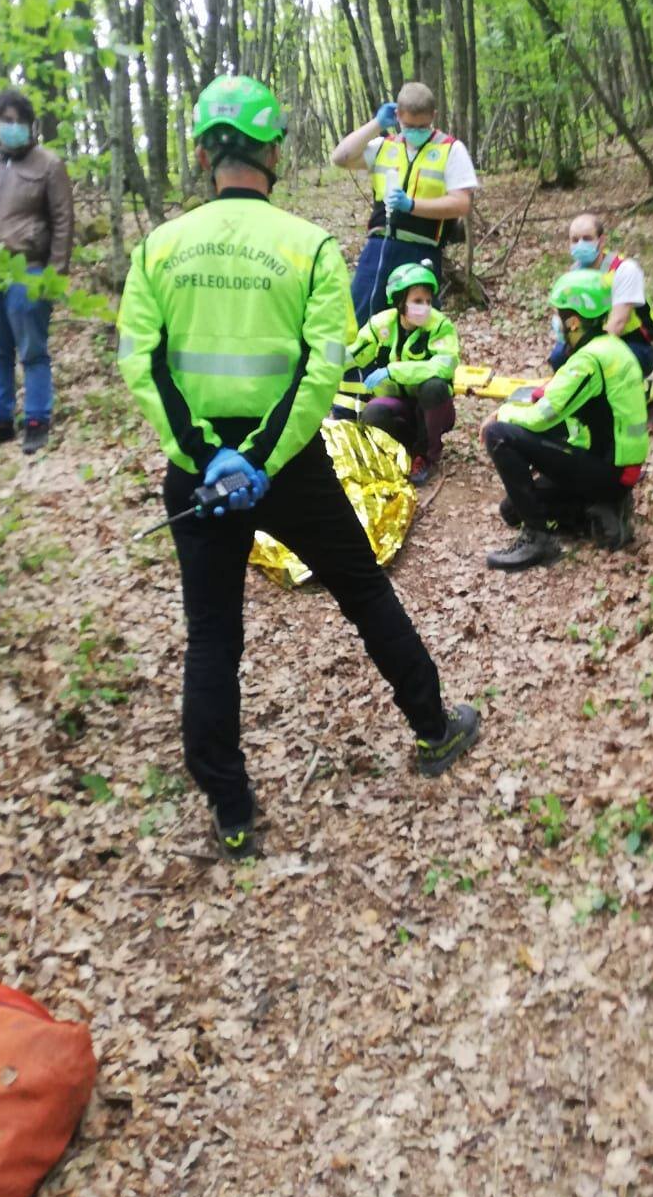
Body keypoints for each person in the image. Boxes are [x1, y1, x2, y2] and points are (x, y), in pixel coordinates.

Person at [117, 76, 479, 860]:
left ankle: (231, 807)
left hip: (199, 473)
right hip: (289, 464)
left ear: (205, 153)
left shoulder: (157, 248)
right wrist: (259, 457)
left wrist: (206, 454)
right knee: (363, 589)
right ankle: (432, 727)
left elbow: (141, 365)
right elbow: (325, 369)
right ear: (274, 150)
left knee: (212, 633)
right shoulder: (307, 245)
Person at [482, 268, 648, 571]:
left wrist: (501, 414)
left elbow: (544, 417)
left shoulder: (590, 358)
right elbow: (561, 392)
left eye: (559, 315)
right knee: (511, 510)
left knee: (499, 434)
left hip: (607, 470)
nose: (557, 323)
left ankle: (539, 540)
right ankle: (601, 511)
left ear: (573, 320)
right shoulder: (611, 348)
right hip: (615, 467)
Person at [0, 89, 74, 454]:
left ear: (31, 125)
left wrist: (56, 273)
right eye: (6, 121)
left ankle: (37, 420)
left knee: (33, 350)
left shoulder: (48, 165)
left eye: (20, 121)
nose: (13, 128)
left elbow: (63, 221)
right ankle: (0, 421)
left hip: (29, 270)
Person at [330, 81, 478, 326]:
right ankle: (362, 366)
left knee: (417, 326)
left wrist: (411, 205)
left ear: (434, 117)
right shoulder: (385, 146)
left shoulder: (451, 150)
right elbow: (340, 157)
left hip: (422, 250)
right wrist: (376, 124)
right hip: (379, 248)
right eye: (409, 125)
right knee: (362, 320)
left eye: (423, 126)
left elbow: (461, 204)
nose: (416, 131)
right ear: (398, 117)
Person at [349, 260, 458, 486]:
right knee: (372, 413)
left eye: (428, 301)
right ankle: (395, 452)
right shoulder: (381, 325)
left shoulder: (440, 326)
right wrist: (320, 359)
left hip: (432, 407)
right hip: (397, 405)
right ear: (400, 302)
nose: (425, 307)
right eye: (418, 301)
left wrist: (392, 370)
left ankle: (425, 456)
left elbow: (443, 366)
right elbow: (354, 354)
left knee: (434, 387)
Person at [550, 212, 653, 381]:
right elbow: (569, 316)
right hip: (592, 338)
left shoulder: (624, 270)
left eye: (587, 239)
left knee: (604, 366)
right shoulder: (574, 274)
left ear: (601, 241)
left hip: (634, 342)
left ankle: (641, 394)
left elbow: (617, 324)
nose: (580, 244)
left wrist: (587, 357)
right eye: (575, 240)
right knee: (559, 356)